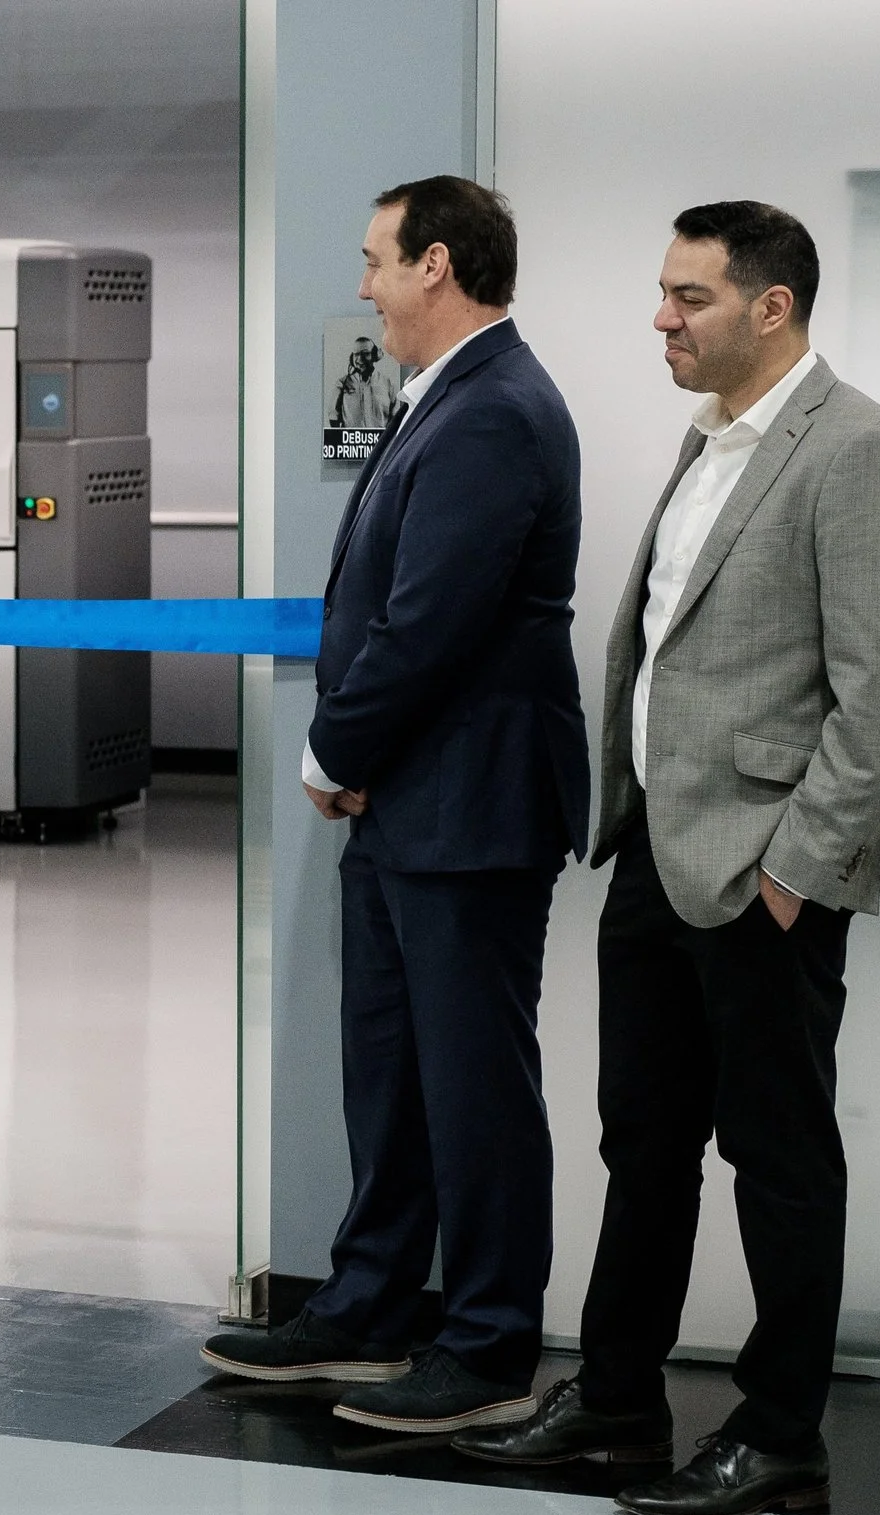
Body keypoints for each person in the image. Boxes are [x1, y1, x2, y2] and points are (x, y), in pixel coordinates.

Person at [457, 202, 880, 1515]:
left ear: (772, 305)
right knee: (645, 1140)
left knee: (779, 1152)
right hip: (659, 857)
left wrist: (796, 866)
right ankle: (617, 1402)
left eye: (690, 297)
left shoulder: (859, 450)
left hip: (765, 872)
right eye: (664, 293)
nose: (661, 319)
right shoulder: (708, 440)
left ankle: (782, 1430)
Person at [200, 176, 588, 1433]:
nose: (361, 287)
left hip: (468, 802)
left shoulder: (493, 411)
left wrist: (331, 748)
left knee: (471, 1078)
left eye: (373, 262)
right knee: (395, 1066)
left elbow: (431, 623)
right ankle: (370, 1306)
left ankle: (485, 1345)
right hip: (416, 798)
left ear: (435, 265)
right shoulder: (449, 403)